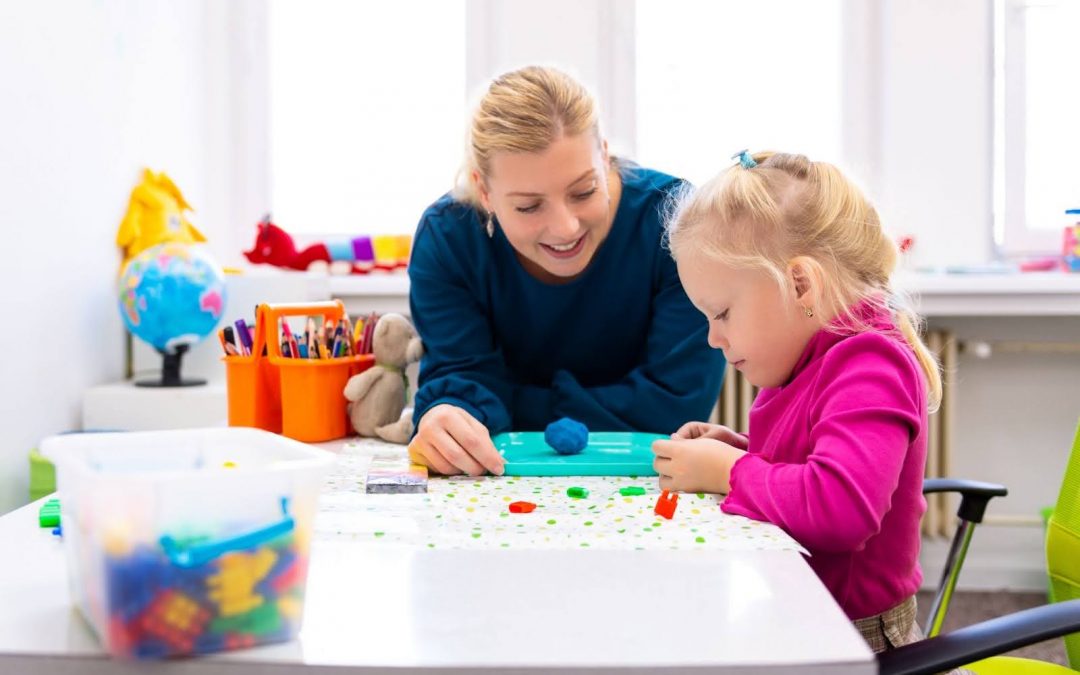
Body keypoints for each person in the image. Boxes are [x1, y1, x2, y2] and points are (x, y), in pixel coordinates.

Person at [653, 150, 942, 654]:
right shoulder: (809, 357)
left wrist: (732, 472)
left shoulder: (871, 364)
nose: (712, 339)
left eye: (721, 313)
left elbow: (841, 506)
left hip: (859, 644)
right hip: (801, 619)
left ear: (800, 283)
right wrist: (742, 449)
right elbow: (814, 458)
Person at [407, 65, 725, 477]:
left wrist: (506, 404)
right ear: (483, 191)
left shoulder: (677, 222)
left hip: (649, 480)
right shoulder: (448, 239)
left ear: (605, 155)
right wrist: (448, 417)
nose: (565, 228)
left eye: (584, 191)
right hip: (501, 484)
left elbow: (675, 405)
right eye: (528, 206)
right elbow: (460, 383)